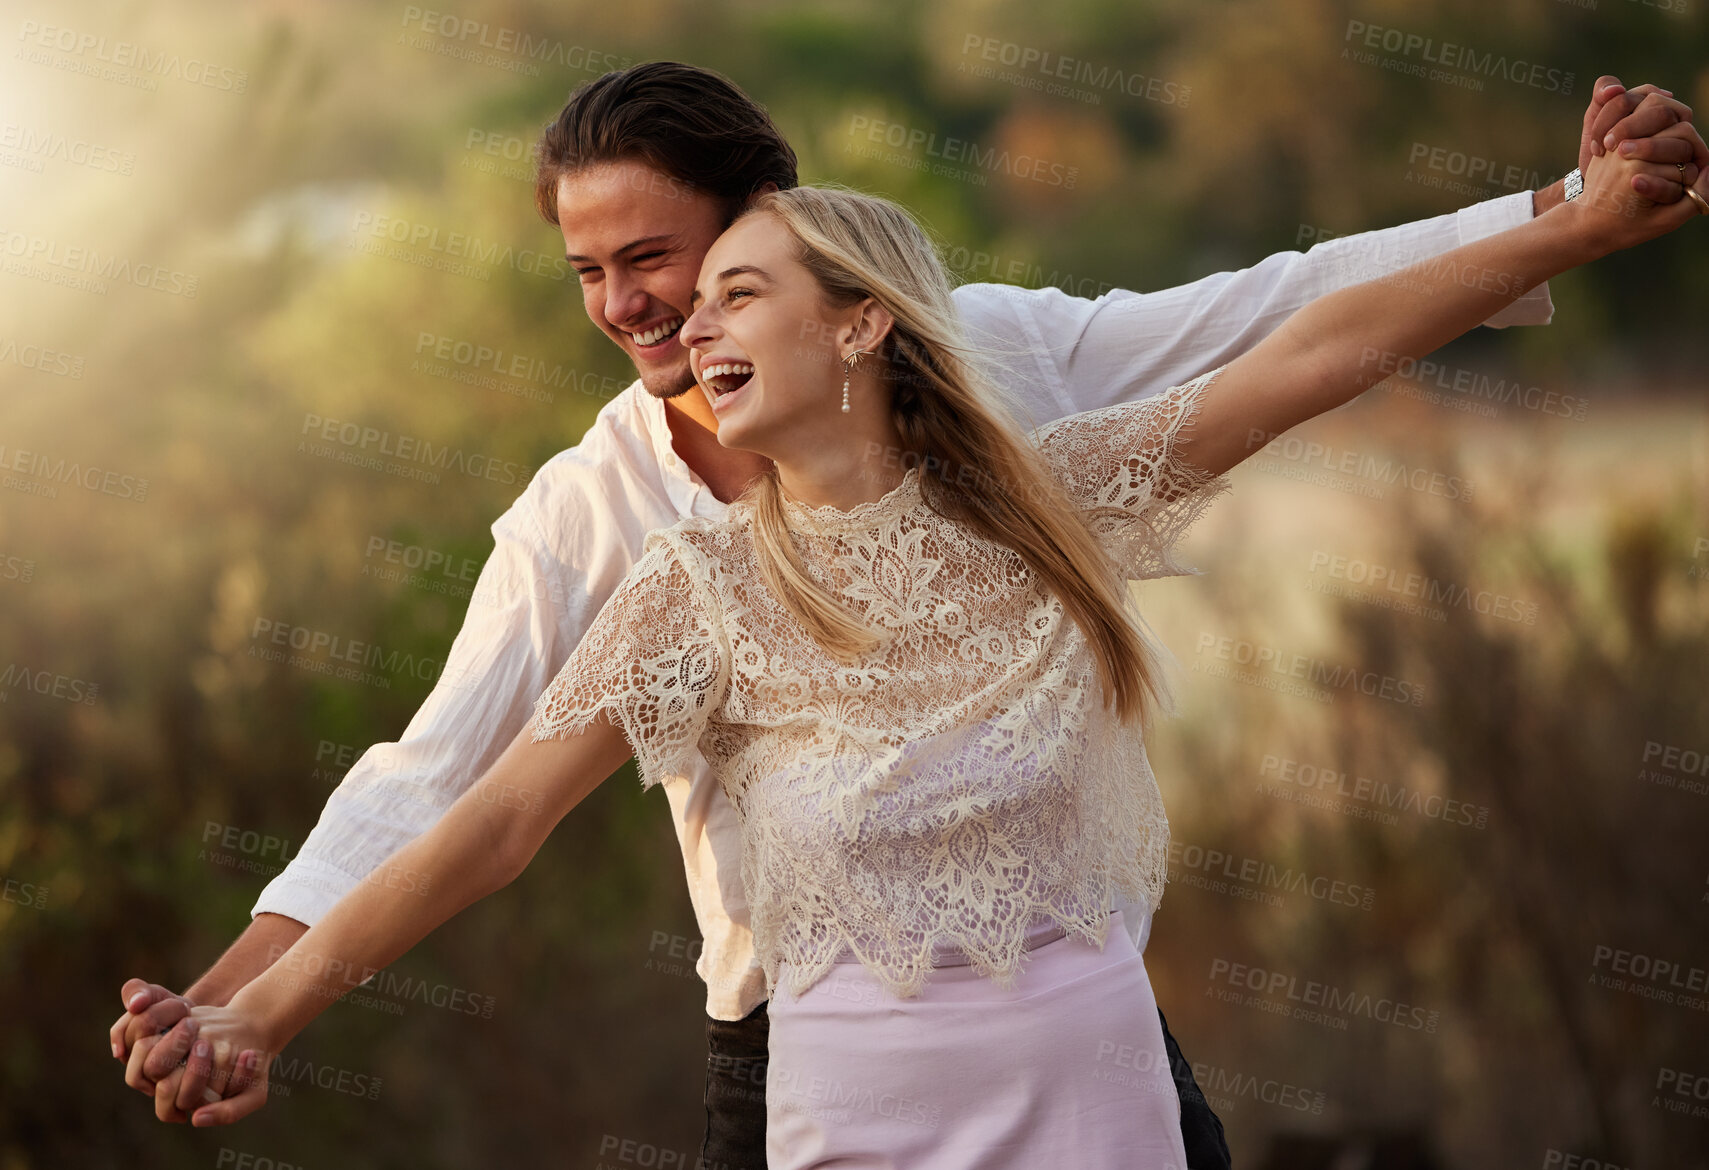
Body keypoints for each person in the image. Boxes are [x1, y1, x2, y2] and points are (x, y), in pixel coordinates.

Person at [111, 62, 1706, 1168]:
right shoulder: (608, 528)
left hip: (1072, 1016)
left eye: (665, 260)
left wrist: (1570, 206)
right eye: (586, 271)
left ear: (810, 264)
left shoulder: (1024, 403)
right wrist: (243, 1000)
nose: (627, 308)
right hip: (797, 1046)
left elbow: (1291, 317)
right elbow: (450, 789)